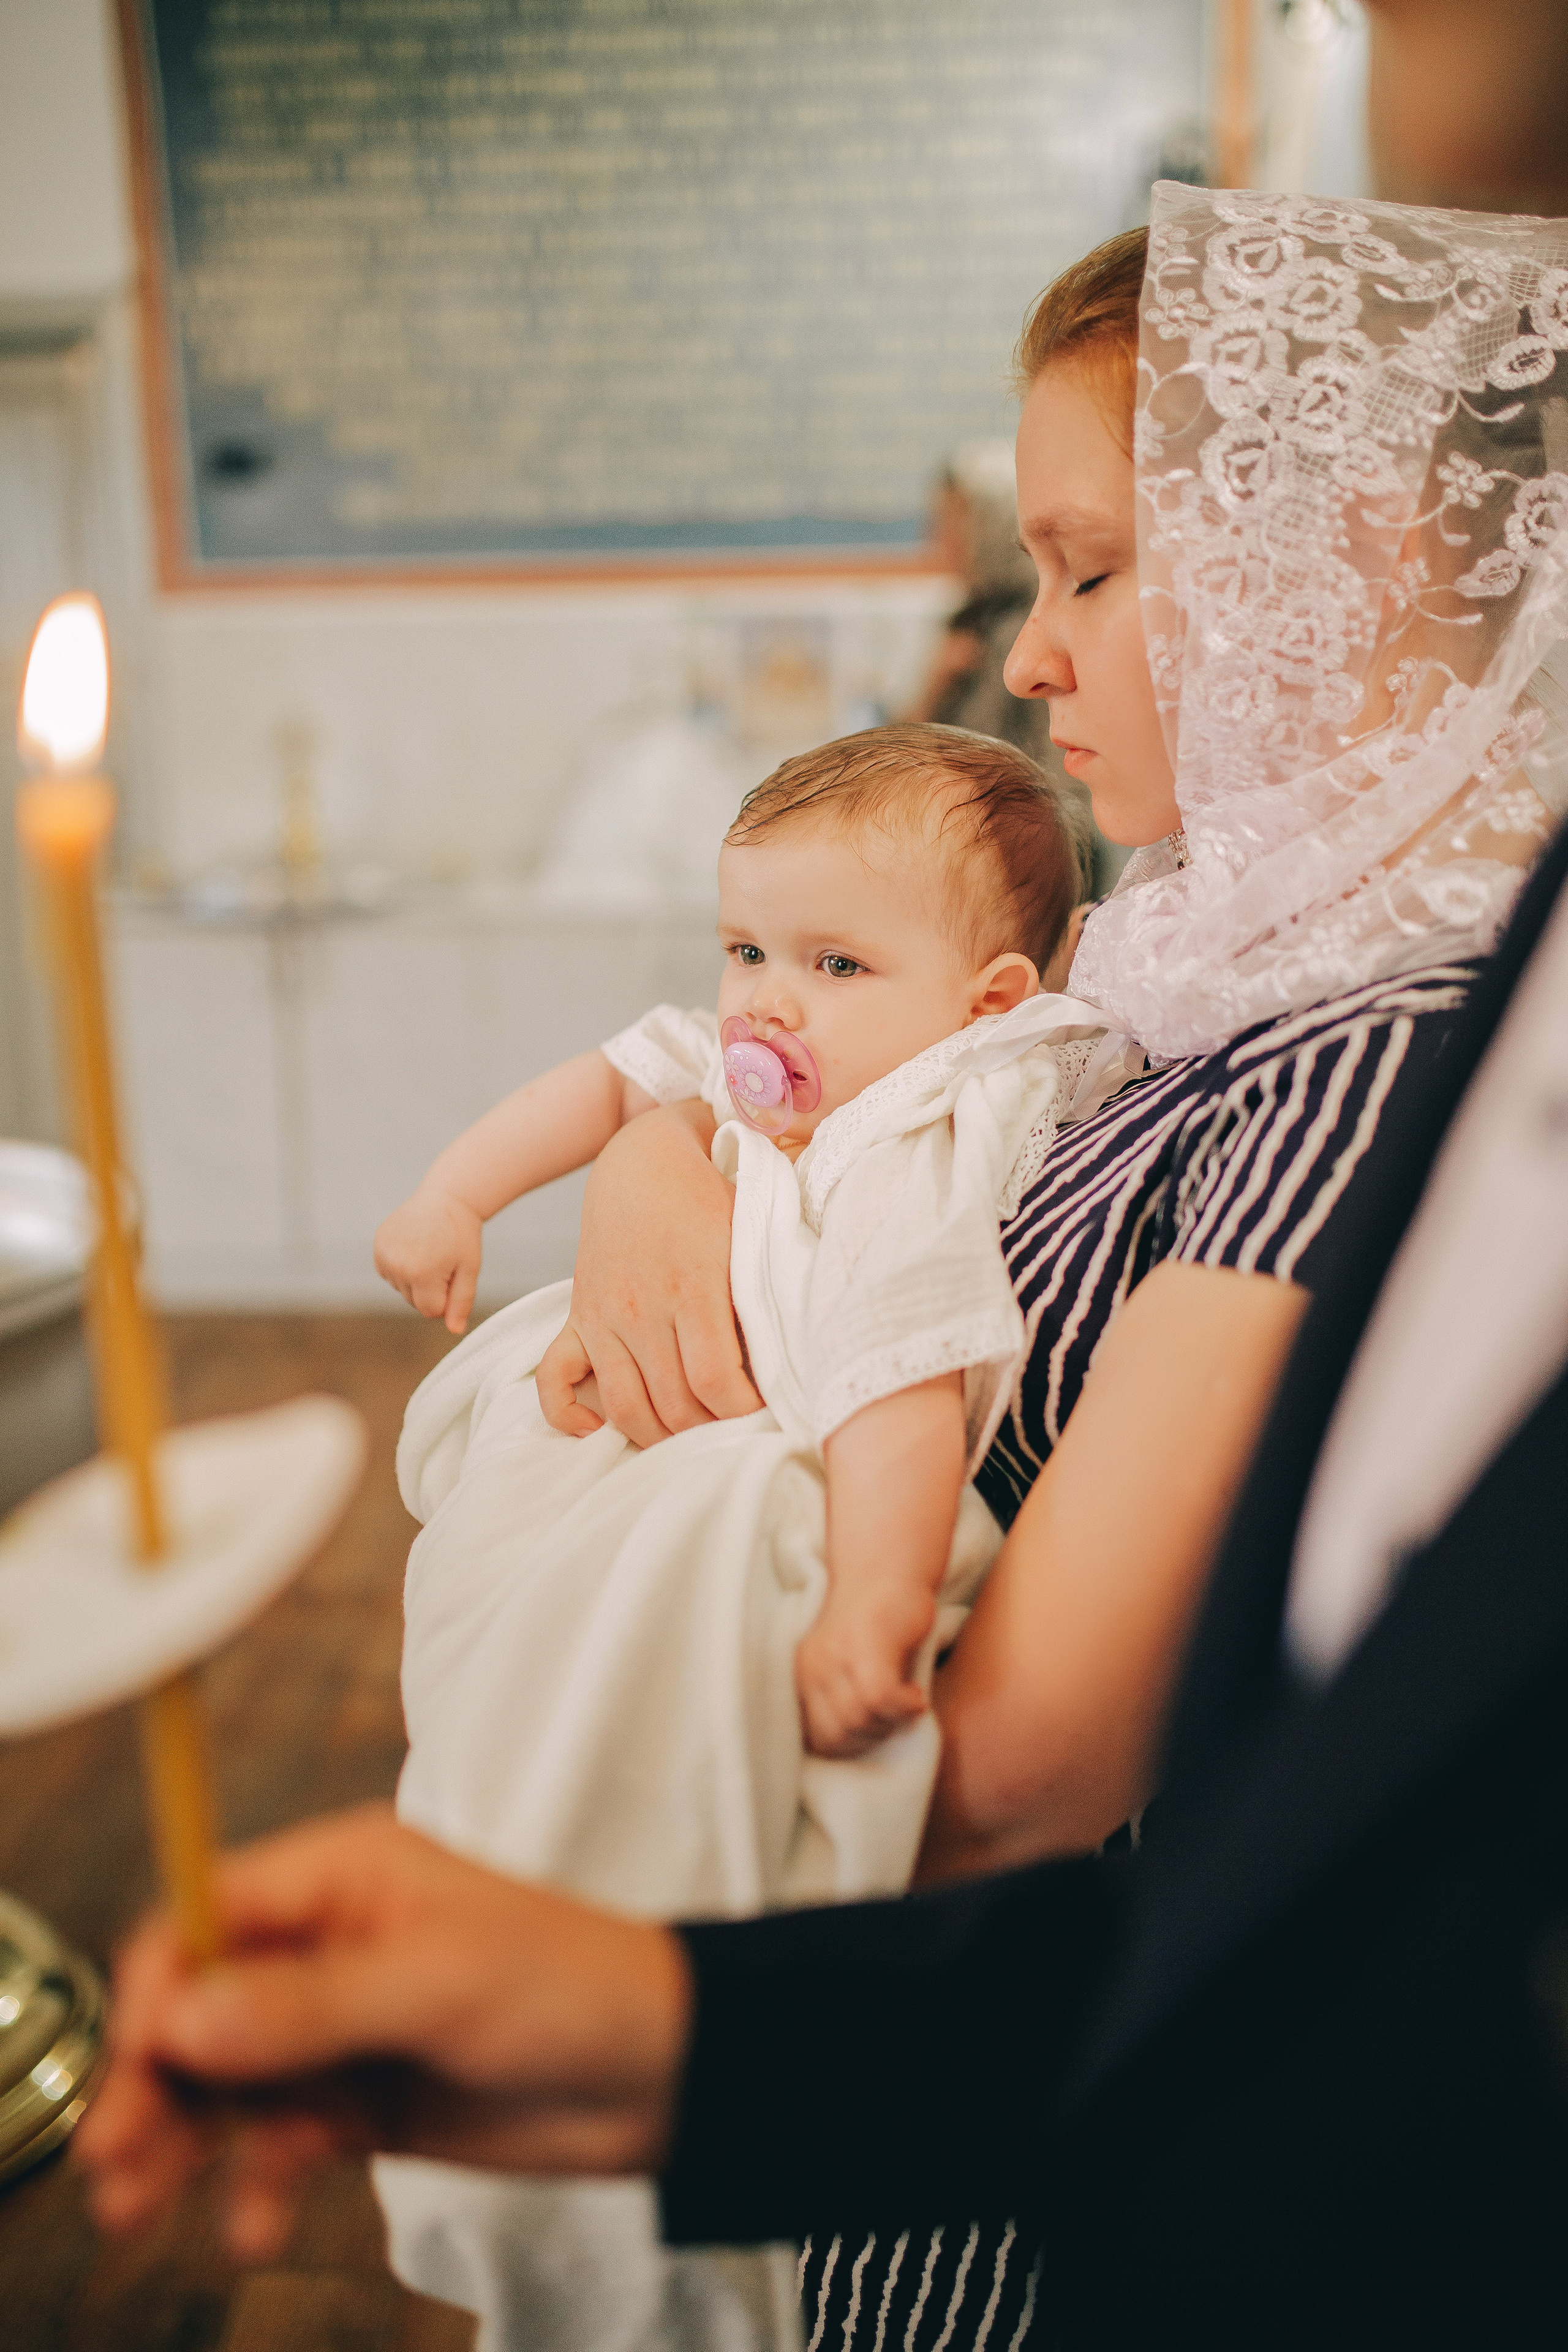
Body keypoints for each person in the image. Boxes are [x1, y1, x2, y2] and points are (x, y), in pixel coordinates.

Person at [80, 181, 1568, 2344]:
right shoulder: (1200, 971)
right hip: (879, 2081)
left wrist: (537, 1859)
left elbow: (1020, 1765)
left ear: (1328, 556)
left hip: (1013, 2181)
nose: (1031, 645)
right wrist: (671, 1158)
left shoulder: (1380, 1059)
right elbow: (868, 1102)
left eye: (1090, 566)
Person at [371, 725, 1099, 2343]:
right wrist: (454, 1195)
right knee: (496, 1632)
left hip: (804, 1477)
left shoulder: (917, 1138)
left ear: (984, 1010)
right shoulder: (776, 1068)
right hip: (661, 1426)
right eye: (746, 947)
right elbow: (602, 1082)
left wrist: (873, 1599)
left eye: (834, 961)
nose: (765, 999)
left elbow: (905, 1388)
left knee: (591, 1745)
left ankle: (565, 2022)